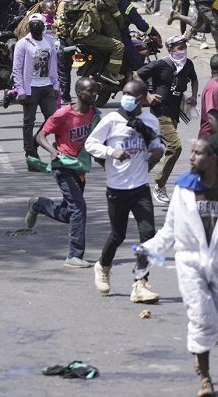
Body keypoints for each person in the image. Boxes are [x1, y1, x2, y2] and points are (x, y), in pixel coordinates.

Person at [140, 136, 218, 397]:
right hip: (190, 262)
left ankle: (200, 353)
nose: (192, 157)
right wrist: (149, 249)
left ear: (213, 158)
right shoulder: (184, 188)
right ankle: (205, 378)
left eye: (198, 153)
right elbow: (170, 229)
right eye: (191, 153)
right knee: (203, 319)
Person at [84, 80, 165, 303]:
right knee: (118, 235)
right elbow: (90, 144)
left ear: (141, 99)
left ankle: (140, 284)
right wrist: (112, 151)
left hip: (140, 187)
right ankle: (103, 265)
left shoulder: (149, 120)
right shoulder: (111, 120)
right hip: (117, 187)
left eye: (131, 95)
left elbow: (158, 143)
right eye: (124, 93)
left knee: (148, 235)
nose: (126, 97)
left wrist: (159, 151)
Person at [27, 77, 101, 267]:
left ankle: (40, 205)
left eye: (95, 91)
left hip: (81, 168)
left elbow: (98, 142)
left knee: (69, 213)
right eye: (90, 91)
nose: (94, 94)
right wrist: (52, 151)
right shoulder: (63, 114)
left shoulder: (95, 114)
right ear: (79, 93)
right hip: (63, 166)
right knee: (79, 209)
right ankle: (74, 255)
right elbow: (41, 135)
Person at [138, 34, 199, 204]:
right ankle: (160, 184)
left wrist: (194, 96)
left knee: (159, 149)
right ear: (170, 49)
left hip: (174, 113)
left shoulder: (188, 65)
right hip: (160, 113)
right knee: (175, 146)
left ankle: (137, 177)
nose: (183, 51)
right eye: (179, 48)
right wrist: (148, 95)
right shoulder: (161, 64)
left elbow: (194, 79)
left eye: (184, 47)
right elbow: (137, 76)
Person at [13, 15, 60, 167]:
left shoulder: (49, 41)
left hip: (47, 86)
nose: (36, 27)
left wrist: (55, 86)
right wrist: (20, 90)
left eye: (38, 24)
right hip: (30, 89)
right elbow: (17, 68)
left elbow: (53, 64)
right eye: (32, 24)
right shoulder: (23, 44)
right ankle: (30, 153)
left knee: (52, 119)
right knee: (29, 121)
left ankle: (34, 143)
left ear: (43, 26)